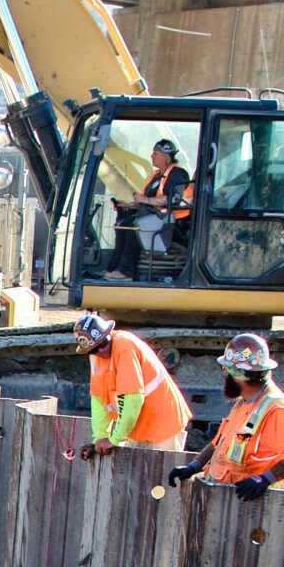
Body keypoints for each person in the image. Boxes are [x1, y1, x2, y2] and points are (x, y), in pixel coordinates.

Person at [168, 334, 284, 502]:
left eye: (226, 370)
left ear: (238, 375)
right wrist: (193, 466)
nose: (224, 376)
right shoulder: (244, 403)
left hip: (261, 509)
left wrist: (265, 479)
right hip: (234, 503)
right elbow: (219, 443)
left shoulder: (276, 408)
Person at [74, 311, 192, 460]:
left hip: (163, 425)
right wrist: (99, 439)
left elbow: (133, 397)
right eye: (94, 350)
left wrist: (113, 440)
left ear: (109, 334)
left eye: (103, 344)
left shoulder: (125, 347)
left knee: (162, 481)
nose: (100, 350)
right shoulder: (96, 358)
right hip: (138, 427)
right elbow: (99, 400)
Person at [108, 138, 192, 278]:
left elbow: (171, 199)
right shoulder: (157, 175)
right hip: (158, 217)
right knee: (123, 224)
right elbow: (147, 199)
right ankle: (113, 268)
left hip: (175, 221)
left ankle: (126, 272)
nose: (151, 156)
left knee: (135, 228)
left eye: (155, 154)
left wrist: (145, 200)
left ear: (165, 157)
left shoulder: (177, 174)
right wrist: (129, 205)